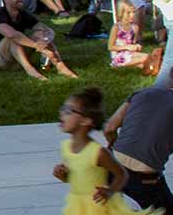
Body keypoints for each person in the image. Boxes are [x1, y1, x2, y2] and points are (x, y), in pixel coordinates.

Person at [104, 63, 173, 215]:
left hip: (112, 168)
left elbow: (109, 128)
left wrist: (116, 147)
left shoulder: (142, 93)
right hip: (146, 181)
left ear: (171, 81)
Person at [51, 87, 149, 215]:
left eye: (68, 111)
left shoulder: (97, 152)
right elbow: (75, 177)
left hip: (98, 207)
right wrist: (63, 175)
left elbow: (122, 174)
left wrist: (110, 191)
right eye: (63, 109)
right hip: (77, 206)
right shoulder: (65, 146)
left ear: (85, 121)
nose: (61, 113)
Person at [0, 0, 78, 80]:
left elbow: (48, 30)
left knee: (40, 34)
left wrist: (44, 41)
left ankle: (60, 66)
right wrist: (38, 46)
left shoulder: (23, 15)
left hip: (14, 58)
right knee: (12, 39)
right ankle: (30, 69)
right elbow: (11, 34)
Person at [108, 0, 153, 71]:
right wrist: (128, 47)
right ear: (121, 13)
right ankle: (117, 65)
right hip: (118, 57)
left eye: (133, 12)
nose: (132, 15)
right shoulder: (116, 27)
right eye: (128, 13)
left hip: (130, 54)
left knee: (148, 57)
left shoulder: (135, 27)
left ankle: (154, 68)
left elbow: (133, 44)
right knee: (145, 58)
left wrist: (136, 46)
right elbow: (110, 47)